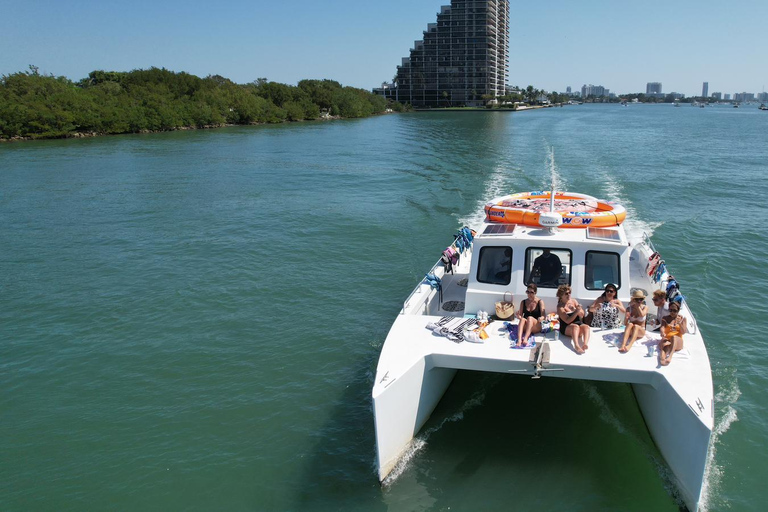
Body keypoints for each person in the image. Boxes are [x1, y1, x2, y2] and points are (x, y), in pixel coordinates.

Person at [557, 284, 591, 354]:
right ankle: (576, 345)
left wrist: (575, 309)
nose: (569, 295)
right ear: (561, 296)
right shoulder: (560, 307)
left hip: (578, 323)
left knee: (586, 327)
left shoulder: (574, 301)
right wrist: (576, 312)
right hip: (566, 327)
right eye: (566, 293)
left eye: (569, 293)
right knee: (575, 327)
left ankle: (585, 344)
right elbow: (567, 320)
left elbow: (581, 315)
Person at [659, 301, 687, 366]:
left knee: (674, 337)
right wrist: (662, 332)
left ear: (678, 310)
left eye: (674, 310)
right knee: (665, 346)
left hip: (677, 341)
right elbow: (662, 327)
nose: (672, 312)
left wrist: (679, 323)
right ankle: (662, 359)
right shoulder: (665, 318)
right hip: (668, 339)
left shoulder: (683, 319)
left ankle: (670, 356)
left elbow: (683, 332)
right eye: (670, 310)